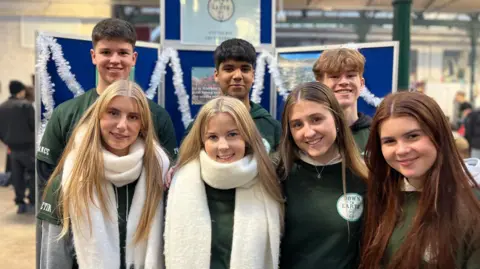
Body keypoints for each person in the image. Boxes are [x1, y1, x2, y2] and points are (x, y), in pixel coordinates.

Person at [38, 80, 169, 269]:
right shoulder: (67, 180)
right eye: (113, 113)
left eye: (133, 117)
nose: (122, 125)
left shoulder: (161, 176)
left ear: (143, 124)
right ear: (98, 116)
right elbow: (54, 261)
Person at [36, 18, 177, 187]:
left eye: (123, 53)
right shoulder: (65, 113)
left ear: (134, 58)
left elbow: (168, 175)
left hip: (142, 212)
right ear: (94, 56)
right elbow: (48, 172)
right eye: (106, 52)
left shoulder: (157, 116)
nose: (115, 60)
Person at [360, 91, 480, 269]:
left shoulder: (472, 204)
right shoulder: (382, 197)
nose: (401, 150)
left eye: (413, 136)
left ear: (438, 135)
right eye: (389, 141)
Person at [165, 96, 283, 269]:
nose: (223, 146)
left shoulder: (268, 178)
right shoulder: (181, 182)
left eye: (233, 134)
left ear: (248, 136)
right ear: (202, 141)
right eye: (213, 137)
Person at [277, 82, 368, 269]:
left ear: (336, 119)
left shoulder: (364, 174)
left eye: (317, 119)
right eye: (297, 124)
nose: (308, 132)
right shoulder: (279, 173)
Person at [184, 38, 281, 153]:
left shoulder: (271, 126)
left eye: (245, 69)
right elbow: (186, 165)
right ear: (216, 75)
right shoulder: (199, 125)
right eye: (229, 69)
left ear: (253, 75)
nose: (238, 76)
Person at [312, 48, 371, 153]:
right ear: (320, 85)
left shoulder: (377, 134)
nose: (344, 82)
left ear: (361, 84)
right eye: (335, 76)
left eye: (350, 75)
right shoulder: (310, 135)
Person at [0, 80, 35, 213]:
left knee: (17, 175)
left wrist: (7, 141)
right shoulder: (25, 106)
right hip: (28, 147)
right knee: (32, 173)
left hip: (12, 148)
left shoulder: (2, 106)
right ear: (21, 91)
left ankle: (20, 202)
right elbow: (34, 125)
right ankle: (32, 200)